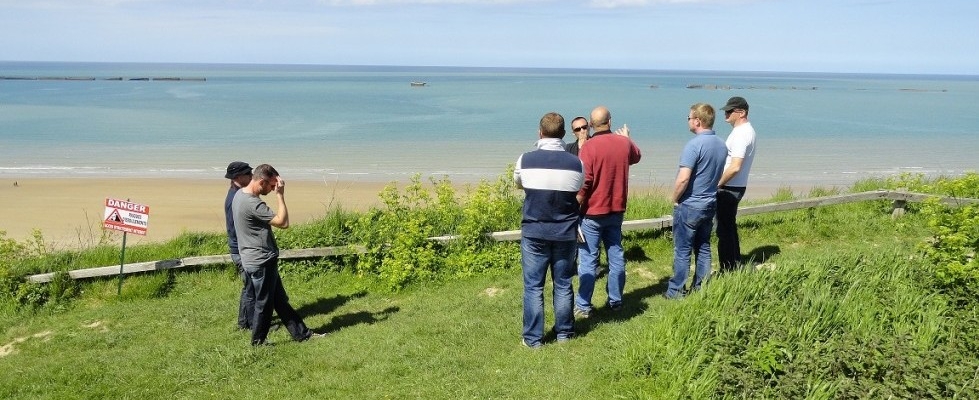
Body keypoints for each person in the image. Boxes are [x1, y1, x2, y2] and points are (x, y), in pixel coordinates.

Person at [514, 112, 584, 348]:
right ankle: (565, 333)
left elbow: (520, 183)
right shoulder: (576, 163)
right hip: (565, 231)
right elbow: (578, 187)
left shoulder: (525, 159)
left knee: (534, 286)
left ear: (540, 132)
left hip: (535, 230)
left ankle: (533, 339)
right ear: (564, 134)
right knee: (563, 283)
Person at [232, 164, 318, 345]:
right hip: (261, 261)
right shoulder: (253, 203)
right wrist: (281, 195)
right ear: (262, 182)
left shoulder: (239, 195)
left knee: (279, 301)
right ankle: (258, 342)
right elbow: (283, 222)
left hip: (253, 258)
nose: (272, 190)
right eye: (271, 186)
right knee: (264, 304)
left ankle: (302, 334)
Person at [574, 106, 642, 317]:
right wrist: (628, 138)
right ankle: (616, 300)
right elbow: (636, 156)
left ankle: (584, 305)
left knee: (588, 259)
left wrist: (575, 205)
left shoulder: (589, 146)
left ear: (592, 125)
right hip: (616, 210)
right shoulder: (624, 144)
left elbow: (586, 180)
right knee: (616, 255)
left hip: (592, 212)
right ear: (610, 122)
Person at [664, 103, 728, 299]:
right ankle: (701, 286)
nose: (688, 121)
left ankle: (676, 291)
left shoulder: (694, 145)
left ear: (697, 121)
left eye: (689, 118)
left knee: (682, 249)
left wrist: (674, 198)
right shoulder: (721, 144)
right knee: (703, 246)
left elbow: (683, 178)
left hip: (690, 204)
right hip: (709, 202)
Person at [716, 96, 757, 271]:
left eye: (729, 110)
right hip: (735, 186)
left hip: (730, 187)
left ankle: (728, 269)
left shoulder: (742, 134)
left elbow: (735, 167)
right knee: (729, 227)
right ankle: (734, 263)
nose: (726, 113)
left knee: (724, 230)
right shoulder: (745, 131)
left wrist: (717, 184)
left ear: (741, 112)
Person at [224, 161, 255, 330]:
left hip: (239, 247)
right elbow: (236, 228)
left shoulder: (237, 193)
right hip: (240, 248)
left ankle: (244, 322)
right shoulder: (235, 199)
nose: (251, 177)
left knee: (249, 286)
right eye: (248, 174)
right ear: (237, 177)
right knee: (251, 287)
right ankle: (252, 324)